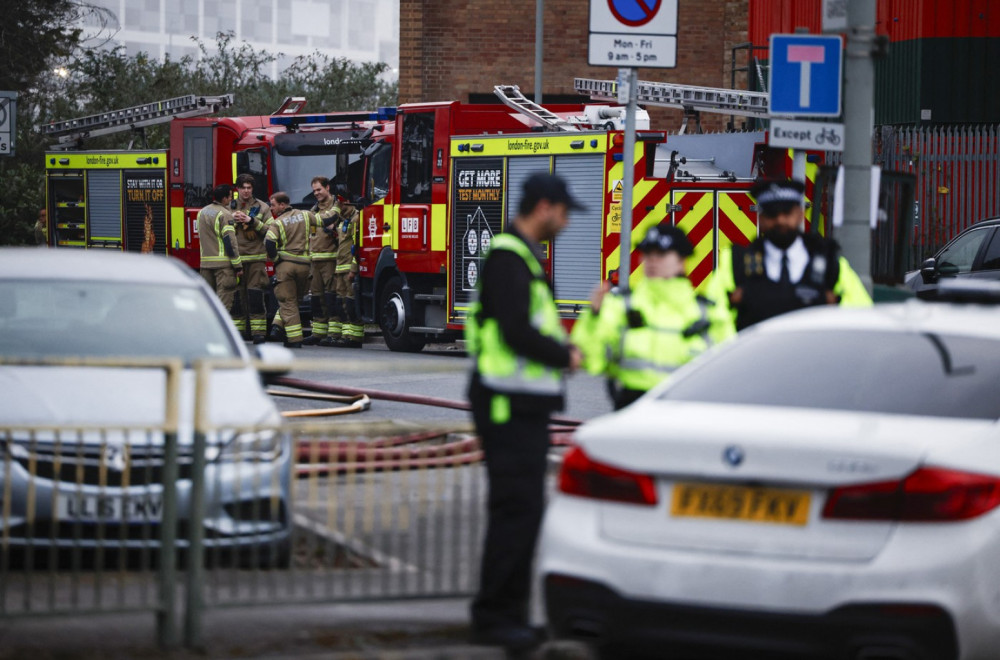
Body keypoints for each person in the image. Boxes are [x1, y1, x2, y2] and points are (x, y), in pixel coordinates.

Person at [466, 172, 583, 654]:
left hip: (519, 404)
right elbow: (515, 331)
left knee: (523, 512)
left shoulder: (520, 257)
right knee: (515, 512)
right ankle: (495, 617)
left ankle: (510, 613)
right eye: (564, 212)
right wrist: (564, 356)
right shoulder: (510, 258)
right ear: (545, 207)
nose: (566, 222)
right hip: (505, 403)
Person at [572, 222, 735, 409]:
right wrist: (593, 316)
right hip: (631, 409)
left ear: (682, 260)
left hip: (689, 413)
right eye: (647, 254)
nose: (652, 261)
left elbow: (728, 373)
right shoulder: (622, 305)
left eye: (661, 254)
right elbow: (591, 360)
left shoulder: (709, 313)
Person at [702, 178, 872, 331]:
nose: (780, 220)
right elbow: (714, 320)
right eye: (772, 215)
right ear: (760, 218)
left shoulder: (829, 263)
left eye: (786, 213)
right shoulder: (736, 263)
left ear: (800, 214)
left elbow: (860, 317)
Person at [264, 192, 325, 348]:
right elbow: (324, 220)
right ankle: (277, 326)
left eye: (273, 205)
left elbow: (269, 243)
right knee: (295, 299)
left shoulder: (277, 223)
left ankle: (294, 339)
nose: (272, 208)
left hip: (286, 266)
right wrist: (337, 209)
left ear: (283, 205)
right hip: (305, 267)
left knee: (287, 302)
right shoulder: (305, 215)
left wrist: (276, 259)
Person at [231, 174, 274, 344]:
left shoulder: (262, 207)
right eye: (243, 188)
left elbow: (271, 230)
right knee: (236, 299)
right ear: (238, 189)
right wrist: (232, 220)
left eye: (249, 188)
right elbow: (218, 229)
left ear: (252, 189)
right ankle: (237, 334)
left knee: (256, 296)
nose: (246, 191)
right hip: (235, 260)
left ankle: (258, 333)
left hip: (256, 260)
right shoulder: (229, 206)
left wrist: (252, 221)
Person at [302, 176, 341, 345]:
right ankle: (318, 332)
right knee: (317, 298)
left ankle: (334, 333)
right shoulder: (314, 209)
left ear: (327, 188)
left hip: (331, 259)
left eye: (319, 189)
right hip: (315, 260)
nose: (316, 193)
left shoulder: (337, 207)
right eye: (314, 191)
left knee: (332, 296)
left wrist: (335, 229)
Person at [198, 184, 242, 324]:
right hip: (223, 266)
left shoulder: (202, 212)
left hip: (205, 265)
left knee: (207, 303)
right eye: (230, 196)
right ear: (224, 199)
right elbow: (230, 242)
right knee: (223, 305)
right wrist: (238, 265)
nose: (231, 199)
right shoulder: (225, 214)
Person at [326, 184, 363, 347]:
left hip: (349, 268)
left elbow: (358, 246)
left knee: (350, 301)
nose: (337, 207)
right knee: (341, 302)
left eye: (339, 203)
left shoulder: (357, 219)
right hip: (340, 267)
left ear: (346, 202)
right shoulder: (342, 221)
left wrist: (354, 269)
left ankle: (354, 337)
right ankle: (346, 335)